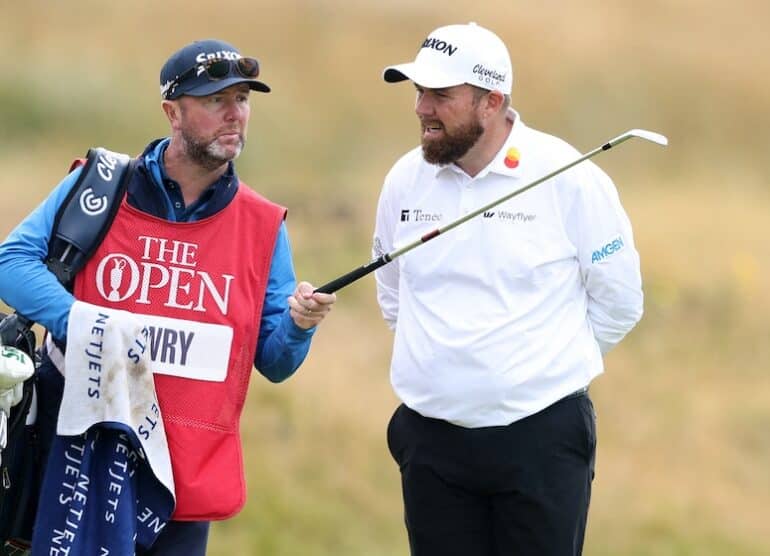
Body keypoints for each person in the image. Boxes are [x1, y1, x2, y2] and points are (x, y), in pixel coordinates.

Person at [0, 38, 336, 555]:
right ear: (172, 112)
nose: (234, 115)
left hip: (185, 485)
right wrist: (89, 326)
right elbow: (11, 263)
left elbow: (273, 359)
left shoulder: (264, 224)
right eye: (213, 101)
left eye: (242, 99)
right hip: (80, 466)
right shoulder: (101, 186)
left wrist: (298, 326)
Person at [373, 22, 643, 556]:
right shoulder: (405, 179)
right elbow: (394, 296)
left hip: (540, 440)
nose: (422, 107)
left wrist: (538, 368)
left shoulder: (568, 176)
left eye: (440, 95)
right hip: (432, 443)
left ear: (491, 101)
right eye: (419, 92)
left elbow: (619, 300)